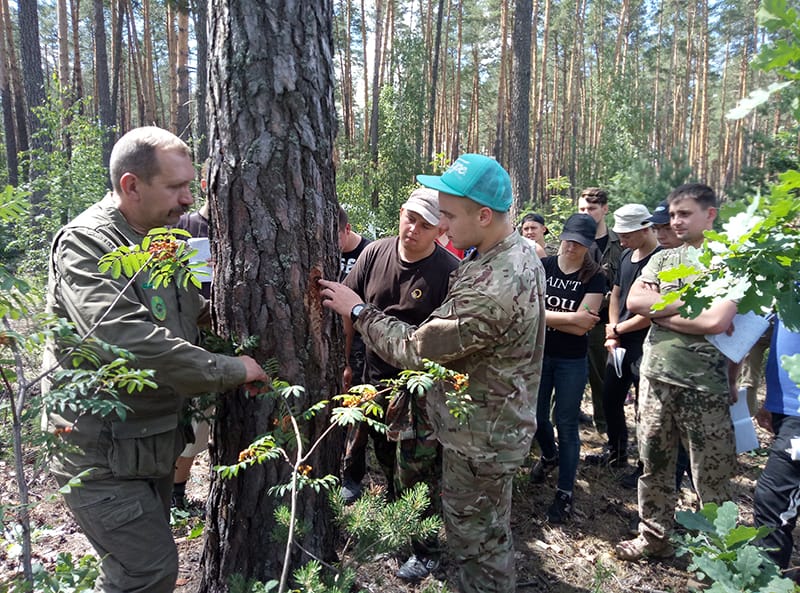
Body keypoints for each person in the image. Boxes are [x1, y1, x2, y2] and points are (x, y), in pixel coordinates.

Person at [41, 126, 268, 593]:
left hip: (150, 442)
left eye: (190, 185)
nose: (188, 200)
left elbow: (185, 315)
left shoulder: (163, 236)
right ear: (131, 185)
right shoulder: (87, 244)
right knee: (148, 573)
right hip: (99, 451)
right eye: (175, 187)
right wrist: (229, 369)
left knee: (136, 571)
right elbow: (125, 336)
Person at [319, 153, 546, 593]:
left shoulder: (491, 286)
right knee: (488, 534)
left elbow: (417, 348)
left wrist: (359, 310)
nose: (441, 225)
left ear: (484, 215)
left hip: (481, 437)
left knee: (475, 546)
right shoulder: (509, 253)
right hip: (492, 424)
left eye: (447, 215)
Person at [338, 188, 459, 580]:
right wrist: (346, 363)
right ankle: (398, 526)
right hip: (374, 382)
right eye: (410, 218)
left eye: (425, 224)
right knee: (385, 459)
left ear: (441, 229)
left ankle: (426, 550)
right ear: (401, 213)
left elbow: (441, 345)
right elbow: (348, 304)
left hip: (420, 394)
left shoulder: (447, 272)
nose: (414, 229)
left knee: (417, 472)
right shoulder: (375, 253)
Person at [616, 183, 738, 561]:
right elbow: (636, 300)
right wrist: (692, 307)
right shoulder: (665, 258)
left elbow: (718, 321)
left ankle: (720, 556)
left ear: (710, 214)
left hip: (705, 385)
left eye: (684, 214)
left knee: (711, 477)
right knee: (653, 464)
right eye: (672, 215)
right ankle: (654, 537)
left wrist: (664, 311)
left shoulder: (729, 259)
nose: (675, 221)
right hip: (655, 377)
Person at [529, 213, 605, 523]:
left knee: (567, 423)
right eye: (569, 240)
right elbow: (528, 311)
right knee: (535, 416)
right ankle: (549, 455)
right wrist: (571, 317)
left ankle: (564, 493)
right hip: (540, 354)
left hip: (571, 361)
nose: (572, 247)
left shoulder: (595, 276)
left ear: (588, 246)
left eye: (579, 243)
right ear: (560, 236)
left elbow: (583, 327)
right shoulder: (543, 267)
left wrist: (560, 319)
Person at [585, 204, 659, 469]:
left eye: (627, 235)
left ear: (645, 228)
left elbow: (655, 311)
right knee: (611, 398)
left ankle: (645, 465)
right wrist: (614, 330)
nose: (623, 240)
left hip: (647, 344)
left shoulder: (661, 259)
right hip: (619, 342)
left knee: (644, 408)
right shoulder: (627, 257)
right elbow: (616, 293)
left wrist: (617, 329)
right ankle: (616, 453)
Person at [753, 317, 800, 572]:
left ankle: (767, 580)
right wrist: (773, 403)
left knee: (773, 498)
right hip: (788, 407)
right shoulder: (786, 277)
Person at [578, 187, 623, 434]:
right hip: (571, 320)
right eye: (582, 209)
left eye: (592, 209)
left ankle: (605, 429)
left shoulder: (620, 243)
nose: (586, 213)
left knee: (602, 379)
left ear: (605, 209)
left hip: (604, 323)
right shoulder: (573, 240)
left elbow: (623, 284)